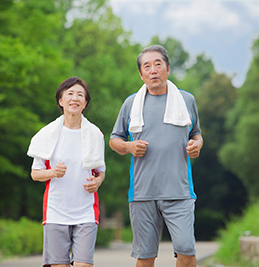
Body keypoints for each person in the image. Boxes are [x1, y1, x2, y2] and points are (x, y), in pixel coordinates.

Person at [109, 45, 203, 267]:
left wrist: (196, 145)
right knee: (145, 257)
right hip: (143, 193)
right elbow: (114, 140)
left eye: (158, 64)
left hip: (179, 192)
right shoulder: (131, 103)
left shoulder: (186, 100)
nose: (153, 70)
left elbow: (196, 133)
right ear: (141, 74)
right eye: (147, 66)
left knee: (187, 252)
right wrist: (129, 146)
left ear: (168, 69)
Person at [27, 76, 106, 267]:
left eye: (80, 95)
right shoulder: (46, 135)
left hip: (86, 211)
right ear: (61, 101)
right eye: (70, 94)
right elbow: (35, 173)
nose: (75, 98)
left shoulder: (95, 134)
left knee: (84, 264)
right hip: (56, 211)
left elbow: (100, 172)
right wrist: (53, 172)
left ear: (85, 103)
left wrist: (97, 182)